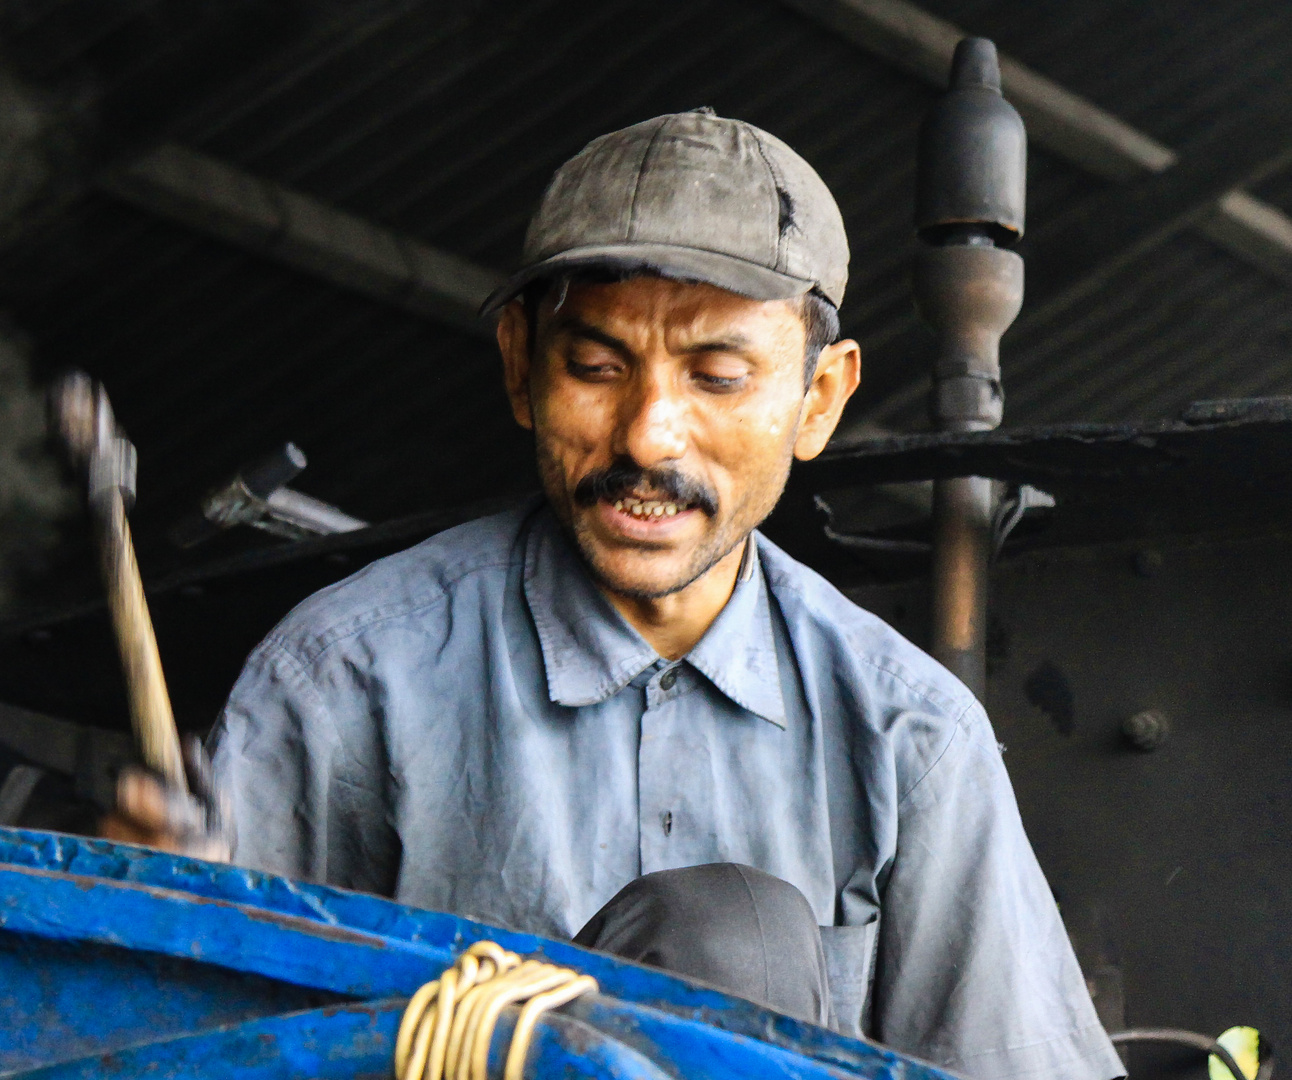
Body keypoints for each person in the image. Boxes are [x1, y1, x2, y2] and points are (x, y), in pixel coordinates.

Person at [104, 108, 1122, 1080]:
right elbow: (191, 1029)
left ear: (819, 399)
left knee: (738, 937)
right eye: (595, 365)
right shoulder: (345, 679)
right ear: (519, 364)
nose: (646, 437)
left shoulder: (913, 738)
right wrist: (144, 928)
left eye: (716, 376)